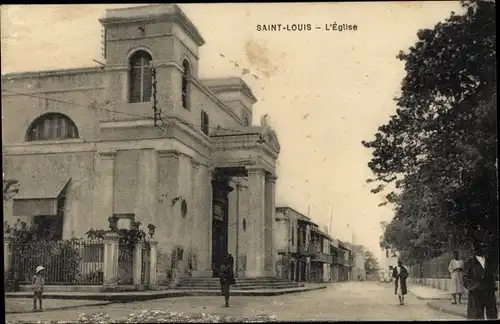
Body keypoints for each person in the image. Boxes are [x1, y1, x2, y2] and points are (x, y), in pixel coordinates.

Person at [463, 240, 498, 319]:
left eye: (485, 247)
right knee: (476, 316)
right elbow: (465, 279)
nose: (484, 249)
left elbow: (491, 276)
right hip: (476, 294)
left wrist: (493, 286)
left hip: (489, 293)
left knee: (492, 316)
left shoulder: (489, 261)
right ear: (476, 249)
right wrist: (475, 286)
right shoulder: (470, 262)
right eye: (482, 247)